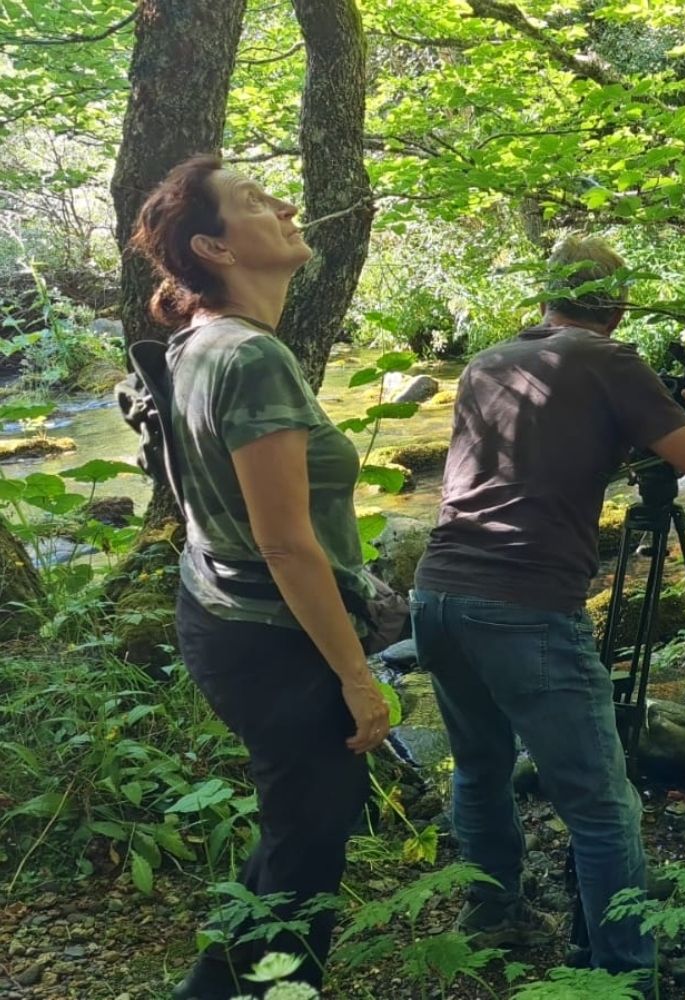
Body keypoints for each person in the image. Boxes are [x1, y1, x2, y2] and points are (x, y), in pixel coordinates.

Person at [411, 234, 685, 973]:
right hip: (525, 605)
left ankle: (492, 907)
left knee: (479, 765)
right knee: (600, 805)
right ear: (618, 307)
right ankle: (625, 974)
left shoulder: (487, 363)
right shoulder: (611, 362)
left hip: (437, 593)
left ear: (546, 298)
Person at [128, 155, 389, 999]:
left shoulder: (198, 345)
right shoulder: (252, 359)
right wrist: (358, 679)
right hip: (274, 637)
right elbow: (286, 544)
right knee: (307, 850)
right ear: (215, 247)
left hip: (221, 614)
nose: (283, 205)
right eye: (253, 202)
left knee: (298, 831)